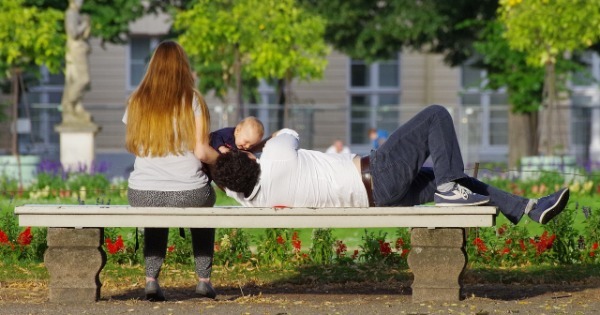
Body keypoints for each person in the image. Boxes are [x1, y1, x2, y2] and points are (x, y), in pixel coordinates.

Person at [212, 105, 569, 226]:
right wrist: (251, 141)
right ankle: (448, 190)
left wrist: (232, 161)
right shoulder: (277, 152)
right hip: (378, 173)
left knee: (456, 178)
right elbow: (285, 131)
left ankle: (529, 209)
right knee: (435, 116)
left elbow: (225, 178)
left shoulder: (248, 197)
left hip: (381, 198)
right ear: (249, 156)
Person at [123, 40, 220, 301]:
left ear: (152, 66)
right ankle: (203, 280)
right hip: (189, 192)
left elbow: (134, 147)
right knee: (203, 204)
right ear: (183, 67)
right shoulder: (193, 100)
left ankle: (151, 280)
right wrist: (221, 157)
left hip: (142, 192)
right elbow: (202, 152)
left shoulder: (136, 100)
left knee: (156, 208)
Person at [61, 0, 92, 123]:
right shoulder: (71, 14)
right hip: (76, 50)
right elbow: (73, 33)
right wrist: (85, 24)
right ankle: (68, 104)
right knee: (83, 79)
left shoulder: (75, 14)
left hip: (79, 49)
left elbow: (83, 35)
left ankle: (76, 106)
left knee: (77, 80)